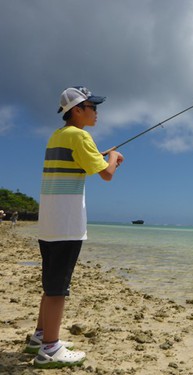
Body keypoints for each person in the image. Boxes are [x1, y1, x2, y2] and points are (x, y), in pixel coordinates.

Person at [25, 86, 124, 369]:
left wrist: (100, 155)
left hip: (50, 222)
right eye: (93, 107)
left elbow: (78, 163)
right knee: (58, 288)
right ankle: (49, 349)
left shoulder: (58, 136)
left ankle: (40, 336)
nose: (97, 112)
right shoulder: (80, 136)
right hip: (67, 224)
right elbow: (106, 174)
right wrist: (114, 159)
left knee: (50, 283)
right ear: (78, 110)